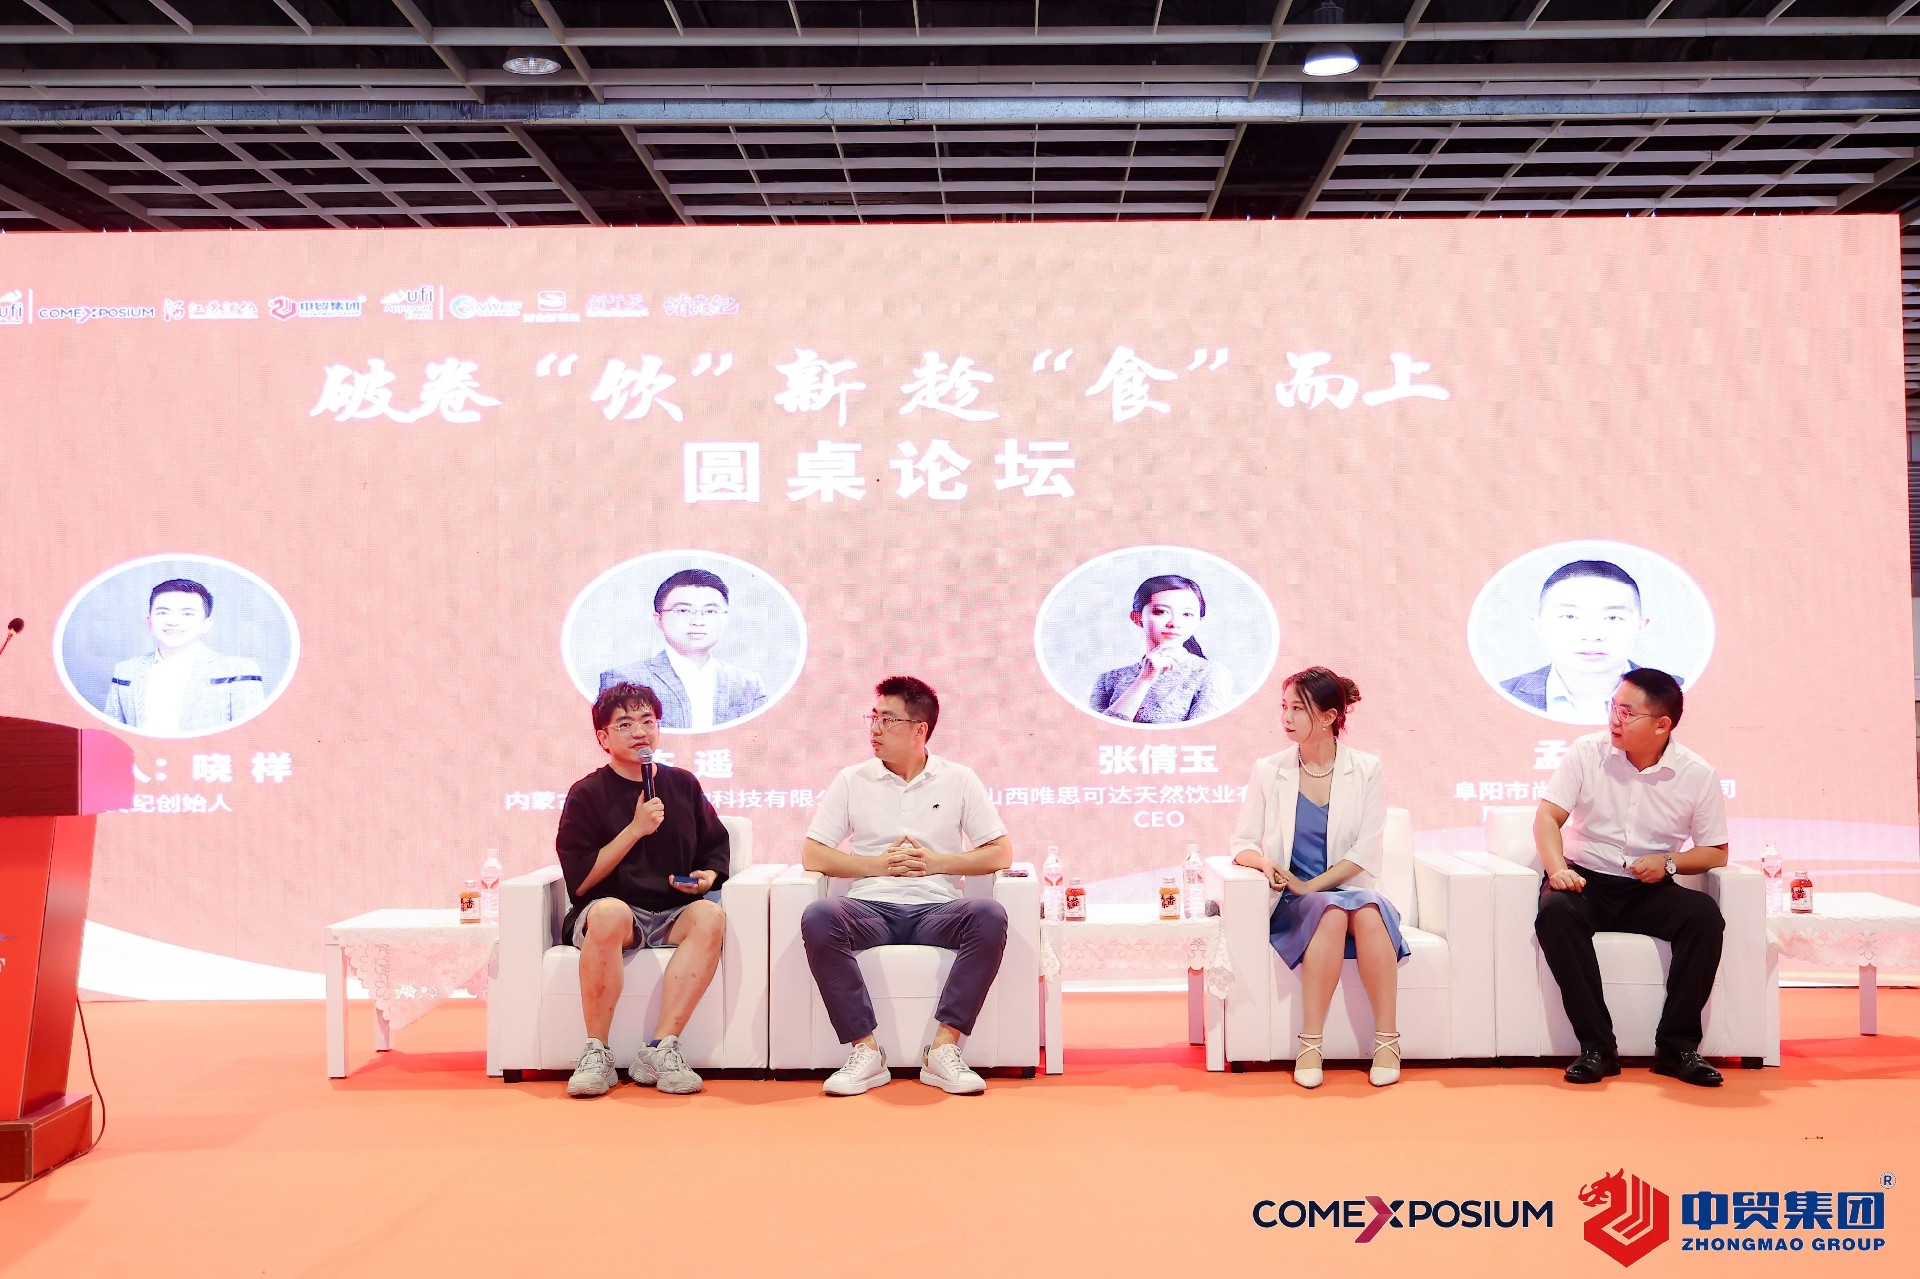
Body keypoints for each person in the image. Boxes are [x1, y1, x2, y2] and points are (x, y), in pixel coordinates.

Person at [799, 676, 1012, 1096]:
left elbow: (1000, 852)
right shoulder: (852, 779)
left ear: (920, 729)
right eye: (873, 718)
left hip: (937, 908)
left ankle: (944, 1048)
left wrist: (937, 863)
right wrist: (875, 866)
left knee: (989, 915)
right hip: (870, 908)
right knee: (819, 916)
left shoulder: (959, 778)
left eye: (887, 720)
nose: (875, 729)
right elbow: (813, 854)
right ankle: (865, 1051)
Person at [1533, 668, 1729, 1087]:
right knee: (1555, 911)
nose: (1614, 719)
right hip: (1584, 881)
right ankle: (1597, 1048)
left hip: (1648, 888)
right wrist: (1558, 870)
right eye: (1613, 707)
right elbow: (1548, 817)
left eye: (1627, 712)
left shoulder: (1697, 774)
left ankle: (1677, 1049)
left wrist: (1669, 862)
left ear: (1662, 725)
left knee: (1703, 916)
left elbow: (1716, 851)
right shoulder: (1587, 752)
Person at [1231, 667, 1409, 1088]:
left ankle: (1387, 1041)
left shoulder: (1366, 768)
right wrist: (1265, 865)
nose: (1286, 717)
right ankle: (1310, 1044)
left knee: (1367, 910)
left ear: (1329, 717)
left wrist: (1311, 885)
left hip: (1347, 890)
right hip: (1294, 902)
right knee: (1330, 913)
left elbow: (1365, 851)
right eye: (1284, 707)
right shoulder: (1269, 770)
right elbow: (1241, 843)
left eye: (1298, 709)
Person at [556, 682, 731, 1098]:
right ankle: (596, 1053)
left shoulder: (683, 784)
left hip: (672, 910)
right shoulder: (587, 794)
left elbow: (714, 848)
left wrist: (706, 877)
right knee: (609, 912)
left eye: (647, 721)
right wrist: (635, 829)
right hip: (613, 913)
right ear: (603, 738)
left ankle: (660, 1048)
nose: (639, 732)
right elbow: (580, 878)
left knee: (710, 915)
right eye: (625, 724)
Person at [597, 568, 768, 731]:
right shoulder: (625, 679)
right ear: (658, 619)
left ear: (725, 618)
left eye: (710, 611)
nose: (698, 621)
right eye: (683, 610)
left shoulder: (748, 684)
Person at [102, 578, 266, 734]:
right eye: (163, 613)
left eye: (187, 614)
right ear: (149, 621)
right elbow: (111, 737)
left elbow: (250, 738)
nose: (173, 622)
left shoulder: (238, 670)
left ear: (206, 624)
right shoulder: (126, 671)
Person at [1500, 560, 1649, 724]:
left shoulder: (1671, 694)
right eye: (1570, 616)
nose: (1592, 635)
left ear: (1641, 626)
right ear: (1539, 626)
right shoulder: (1500, 697)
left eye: (1613, 617)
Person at [1089, 574, 1233, 724]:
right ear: (1137, 617)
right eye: (1161, 611)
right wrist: (1144, 680)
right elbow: (1099, 732)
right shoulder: (1108, 680)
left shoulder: (1210, 674)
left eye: (1187, 614)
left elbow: (1200, 735)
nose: (1174, 623)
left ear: (1198, 620)